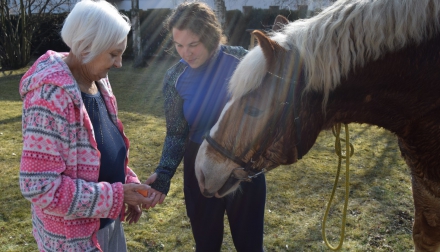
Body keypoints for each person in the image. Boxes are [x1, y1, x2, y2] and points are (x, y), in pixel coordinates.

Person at [18, 0, 155, 251]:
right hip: (73, 240)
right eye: (113, 54)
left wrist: (128, 182)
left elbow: (100, 149)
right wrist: (117, 195)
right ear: (86, 48)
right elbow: (39, 187)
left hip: (109, 223)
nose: (119, 64)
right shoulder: (49, 97)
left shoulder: (98, 82)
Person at [144, 2, 266, 251]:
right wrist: (164, 173)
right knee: (206, 244)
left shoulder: (243, 60)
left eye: (193, 44)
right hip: (198, 165)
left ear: (211, 36)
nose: (185, 53)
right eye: (178, 45)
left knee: (250, 245)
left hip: (242, 162)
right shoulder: (174, 77)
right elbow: (177, 133)